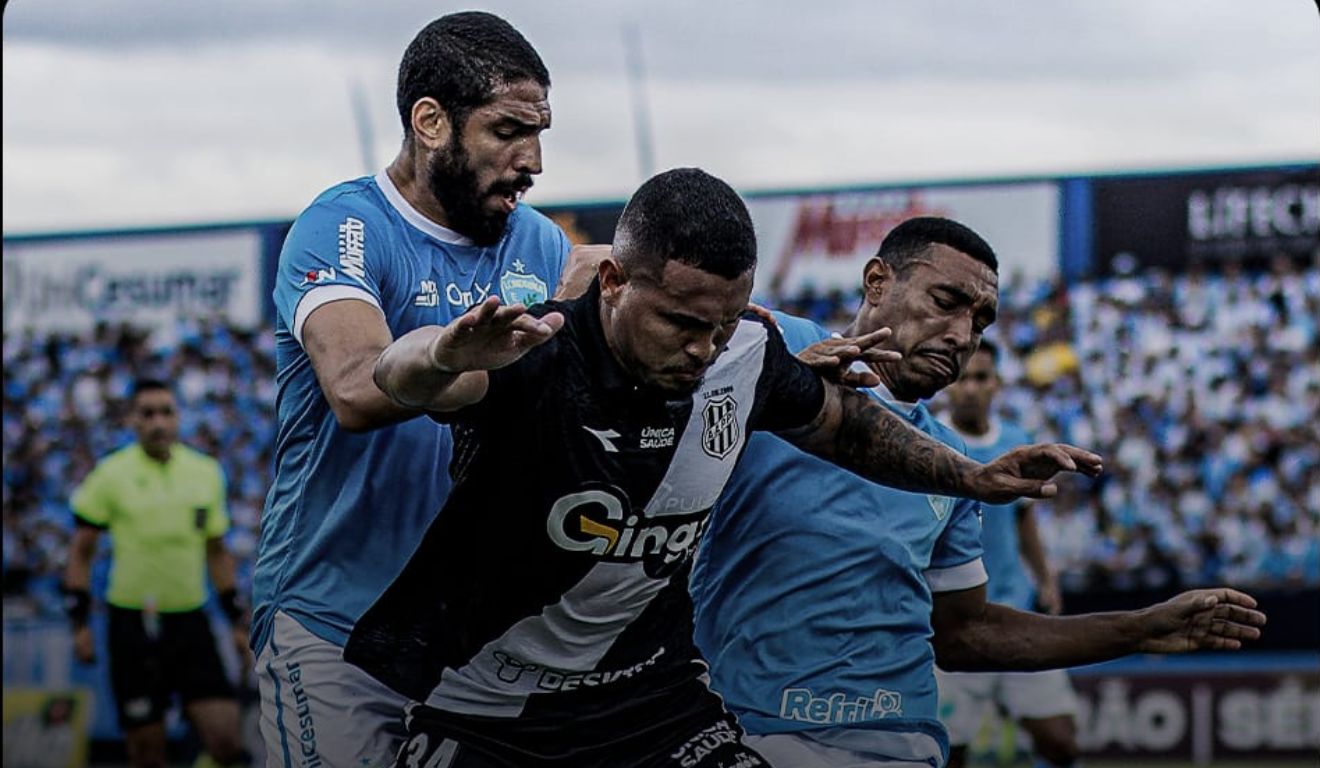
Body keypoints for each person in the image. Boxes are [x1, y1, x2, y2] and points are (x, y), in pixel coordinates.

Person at [344, 169, 1107, 767]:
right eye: (681, 323)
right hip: (489, 704)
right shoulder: (532, 350)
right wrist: (442, 349)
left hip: (649, 703)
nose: (703, 348)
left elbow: (849, 430)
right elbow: (404, 378)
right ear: (614, 283)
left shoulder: (745, 353)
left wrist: (971, 478)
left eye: (721, 324)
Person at [688, 217, 1266, 768]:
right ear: (877, 281)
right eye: (946, 303)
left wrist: (1141, 628)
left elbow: (965, 631)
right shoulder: (773, 344)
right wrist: (770, 382)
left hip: (901, 741)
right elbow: (624, 288)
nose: (963, 336)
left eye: (981, 322)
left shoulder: (956, 466)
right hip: (750, 733)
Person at [253, 12, 581, 768]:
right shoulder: (343, 229)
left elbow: (638, 290)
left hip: (474, 637)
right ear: (430, 121)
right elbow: (354, 389)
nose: (531, 160)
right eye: (507, 131)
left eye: (540, 134)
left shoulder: (536, 242)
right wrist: (442, 355)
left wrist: (782, 340)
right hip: (336, 622)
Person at [64, 379, 247, 768]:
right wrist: (78, 621)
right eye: (147, 413)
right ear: (133, 420)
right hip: (131, 624)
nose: (158, 422)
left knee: (227, 742)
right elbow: (81, 552)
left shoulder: (206, 473)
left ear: (178, 417)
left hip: (190, 620)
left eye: (166, 412)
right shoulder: (111, 474)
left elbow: (217, 552)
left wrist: (237, 621)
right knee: (147, 754)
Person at [936, 340, 1080, 768]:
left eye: (981, 378)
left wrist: (1046, 578)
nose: (970, 388)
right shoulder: (928, 438)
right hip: (949, 622)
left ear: (997, 384)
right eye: (962, 378)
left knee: (1061, 743)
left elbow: (1023, 520)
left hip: (1014, 610)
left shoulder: (1016, 441)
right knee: (947, 753)